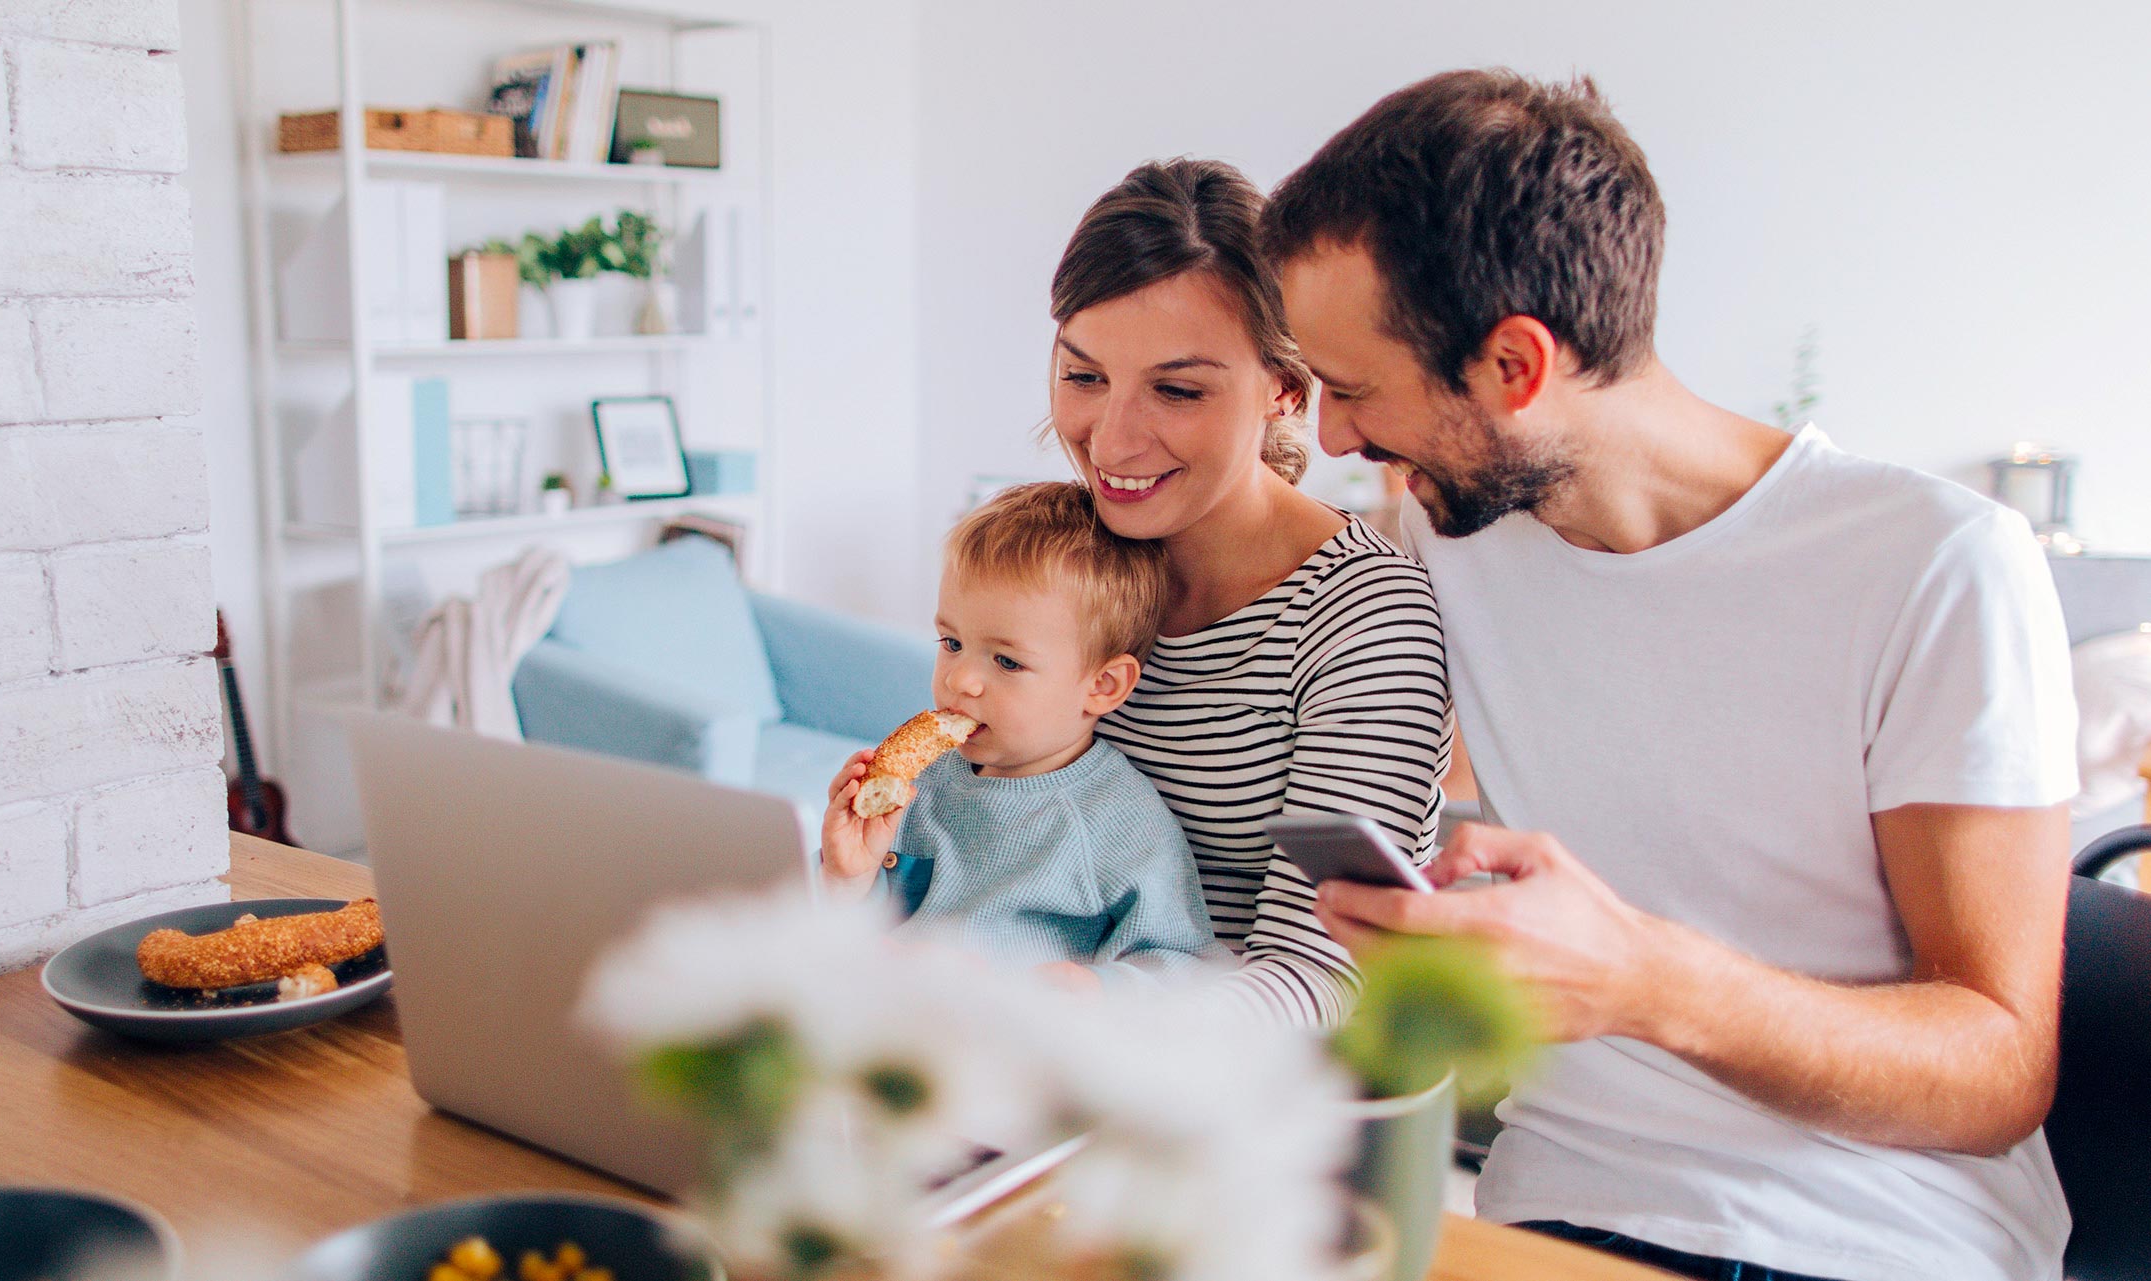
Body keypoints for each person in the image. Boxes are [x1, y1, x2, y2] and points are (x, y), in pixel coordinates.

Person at [1274, 70, 2077, 1281]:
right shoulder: (1447, 542)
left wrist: (1641, 978)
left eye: (1355, 390)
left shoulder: (1934, 565)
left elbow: (1998, 1071)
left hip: (1867, 1236)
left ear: (1513, 366)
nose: (1333, 437)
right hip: (1549, 1220)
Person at [1051, 159, 1453, 1026]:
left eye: (1177, 389)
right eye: (1084, 377)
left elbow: (1320, 976)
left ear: (1284, 389)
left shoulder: (1364, 618)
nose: (1111, 441)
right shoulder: (1057, 559)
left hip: (1232, 1098)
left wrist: (1095, 1014)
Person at [819, 482, 1217, 987]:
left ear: (1102, 685)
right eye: (952, 642)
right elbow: (844, 936)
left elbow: (1182, 967)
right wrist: (848, 877)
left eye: (1007, 661)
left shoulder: (1117, 819)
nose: (960, 679)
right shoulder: (923, 782)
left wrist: (1093, 990)